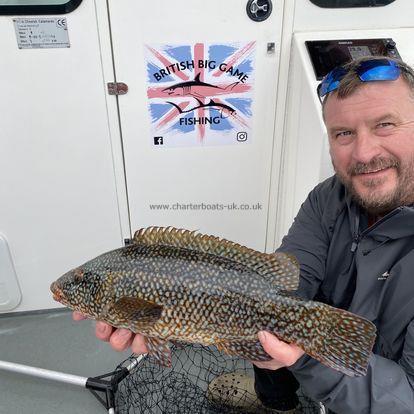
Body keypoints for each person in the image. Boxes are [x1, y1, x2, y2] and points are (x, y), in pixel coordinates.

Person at [74, 55, 414, 413]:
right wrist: (183, 313)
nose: (364, 151)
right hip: (323, 346)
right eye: (343, 133)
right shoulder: (331, 196)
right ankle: (277, 403)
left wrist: (307, 357)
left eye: (385, 125)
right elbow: (288, 282)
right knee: (269, 313)